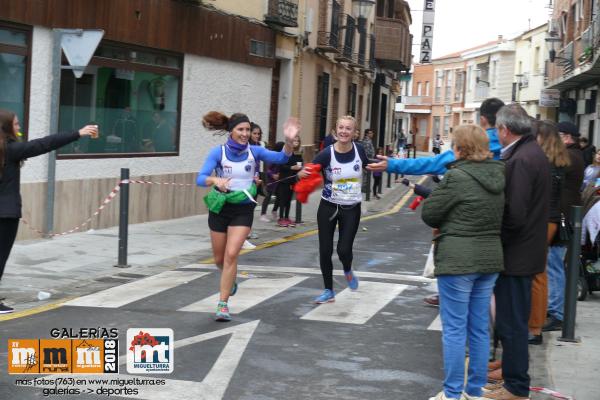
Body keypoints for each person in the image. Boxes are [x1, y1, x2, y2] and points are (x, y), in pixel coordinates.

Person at [368, 97, 505, 308]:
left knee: (455, 321)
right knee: (480, 320)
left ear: (483, 119)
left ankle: (449, 295)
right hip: (494, 237)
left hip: (461, 241)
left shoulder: (467, 157)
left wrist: (393, 164)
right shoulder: (507, 150)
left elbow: (432, 169)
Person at [422, 125, 505, 400]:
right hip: (489, 257)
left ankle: (453, 393)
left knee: (455, 329)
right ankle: (475, 391)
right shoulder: (499, 174)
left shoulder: (456, 176)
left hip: (458, 260)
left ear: (460, 148)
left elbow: (431, 213)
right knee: (479, 327)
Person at [197, 112, 299, 321]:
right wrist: (215, 180)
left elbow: (282, 157)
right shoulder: (219, 152)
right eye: (240, 130)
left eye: (247, 130)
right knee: (218, 259)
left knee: (232, 254)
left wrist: (289, 141)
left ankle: (223, 304)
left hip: (243, 210)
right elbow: (200, 178)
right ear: (232, 131)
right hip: (220, 208)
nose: (245, 134)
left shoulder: (255, 151)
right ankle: (230, 279)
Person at [0, 109, 98, 314]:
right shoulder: (11, 150)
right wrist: (77, 133)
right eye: (16, 125)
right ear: (7, 127)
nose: (19, 128)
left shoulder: (7, 150)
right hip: (5, 215)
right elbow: (44, 144)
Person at [483, 104, 550, 400]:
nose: (497, 134)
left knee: (511, 324)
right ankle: (512, 378)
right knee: (512, 322)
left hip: (517, 254)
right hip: (525, 251)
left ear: (505, 130)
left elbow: (515, 213)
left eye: (497, 129)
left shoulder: (521, 159)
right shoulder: (531, 152)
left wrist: (498, 240)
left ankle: (516, 388)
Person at [298, 115, 367, 303]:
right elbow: (308, 171)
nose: (344, 131)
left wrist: (388, 167)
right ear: (336, 131)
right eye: (341, 128)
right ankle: (328, 290)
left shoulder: (359, 151)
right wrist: (301, 173)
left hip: (351, 208)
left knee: (344, 249)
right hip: (328, 206)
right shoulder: (326, 153)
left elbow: (370, 166)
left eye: (348, 128)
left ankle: (347, 269)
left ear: (354, 132)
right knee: (325, 249)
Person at [368, 98, 505, 176]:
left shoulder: (472, 144)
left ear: (482, 120)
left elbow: (430, 164)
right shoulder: (512, 146)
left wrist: (392, 164)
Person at [523, 120, 570, 346]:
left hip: (542, 221)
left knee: (536, 274)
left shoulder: (546, 164)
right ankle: (534, 325)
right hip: (549, 220)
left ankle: (534, 327)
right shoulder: (557, 162)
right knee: (538, 273)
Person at [543, 121, 584, 332]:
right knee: (553, 264)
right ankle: (554, 310)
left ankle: (557, 313)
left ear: (566, 137)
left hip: (562, 219)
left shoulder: (571, 157)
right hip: (563, 217)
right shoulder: (574, 155)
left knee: (553, 265)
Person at [276, 136, 303, 227]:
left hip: (292, 180)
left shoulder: (298, 154)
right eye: (294, 140)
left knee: (289, 200)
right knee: (283, 200)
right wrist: (292, 167)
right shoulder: (286, 153)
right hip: (284, 179)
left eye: (297, 141)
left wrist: (301, 168)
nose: (296, 142)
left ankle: (287, 217)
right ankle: (280, 218)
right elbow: (281, 166)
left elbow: (301, 163)